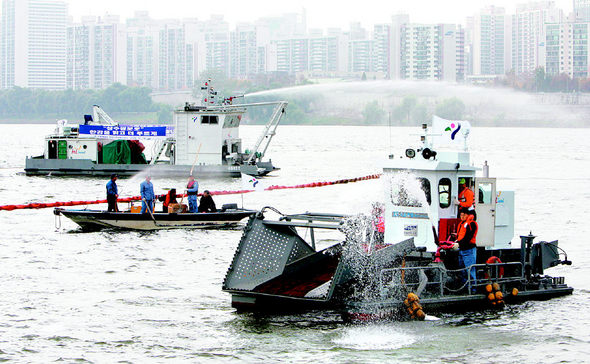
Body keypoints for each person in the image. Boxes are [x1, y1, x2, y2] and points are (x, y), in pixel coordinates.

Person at [452, 208, 478, 291]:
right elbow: (462, 236)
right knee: (463, 270)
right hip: (462, 250)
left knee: (470, 270)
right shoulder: (462, 224)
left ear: (468, 215)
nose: (462, 217)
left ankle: (473, 288)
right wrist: (456, 239)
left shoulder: (471, 224)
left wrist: (459, 243)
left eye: (464, 215)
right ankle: (465, 287)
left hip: (469, 250)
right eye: (461, 215)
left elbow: (468, 237)